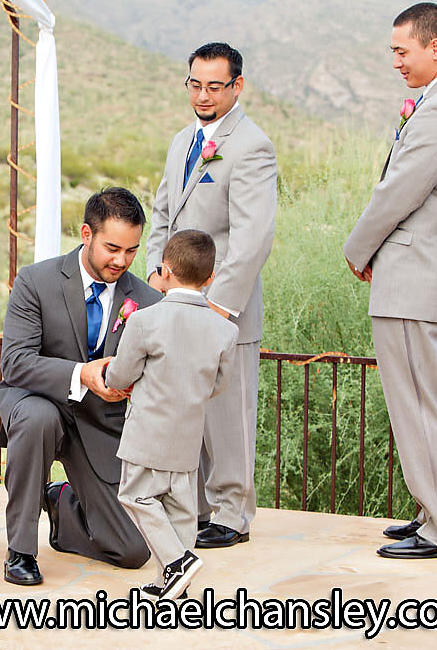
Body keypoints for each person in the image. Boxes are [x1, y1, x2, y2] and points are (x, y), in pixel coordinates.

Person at [344, 3, 437, 559]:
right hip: (421, 273)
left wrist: (357, 249)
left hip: (411, 273)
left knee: (419, 405)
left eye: (402, 50)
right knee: (425, 401)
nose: (396, 61)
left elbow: (399, 191)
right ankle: (436, 509)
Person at [146, 42, 276, 550]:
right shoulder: (182, 141)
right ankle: (198, 508)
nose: (203, 95)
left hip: (225, 312)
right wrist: (158, 273)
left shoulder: (251, 145)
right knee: (191, 415)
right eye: (195, 85)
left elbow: (252, 238)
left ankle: (234, 514)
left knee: (228, 417)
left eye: (214, 86)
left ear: (236, 86)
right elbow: (163, 213)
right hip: (176, 303)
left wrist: (219, 305)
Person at [0, 187, 163, 586]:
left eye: (131, 250)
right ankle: (20, 550)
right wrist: (81, 374)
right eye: (112, 248)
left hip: (100, 422)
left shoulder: (148, 300)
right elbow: (14, 362)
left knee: (133, 551)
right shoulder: (35, 281)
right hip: (39, 403)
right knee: (38, 418)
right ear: (86, 234)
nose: (121, 260)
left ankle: (60, 503)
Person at [107, 229, 238, 600]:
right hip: (187, 434)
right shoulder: (225, 331)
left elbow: (121, 374)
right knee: (181, 506)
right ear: (211, 278)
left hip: (147, 431)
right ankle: (175, 581)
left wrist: (120, 379)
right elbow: (219, 384)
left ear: (164, 270)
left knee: (135, 496)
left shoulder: (145, 321)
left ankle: (178, 561)